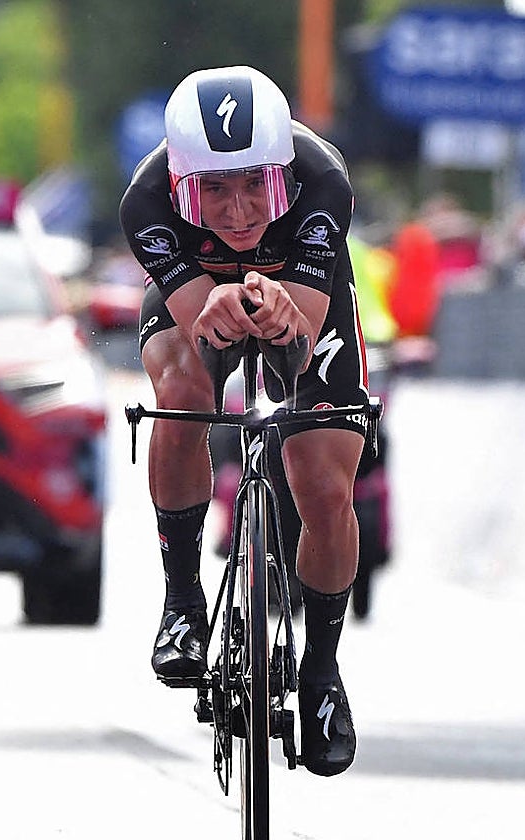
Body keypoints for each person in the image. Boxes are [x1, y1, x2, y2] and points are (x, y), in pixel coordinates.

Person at [119, 65, 368, 777]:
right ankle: (182, 598)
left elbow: (300, 345)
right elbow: (201, 330)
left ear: (283, 172)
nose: (237, 211)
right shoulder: (145, 201)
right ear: (178, 186)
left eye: (256, 184)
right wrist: (219, 314)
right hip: (198, 298)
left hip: (303, 293)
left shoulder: (323, 180)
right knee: (181, 390)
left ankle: (321, 669)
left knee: (320, 482)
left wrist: (279, 316)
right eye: (214, 190)